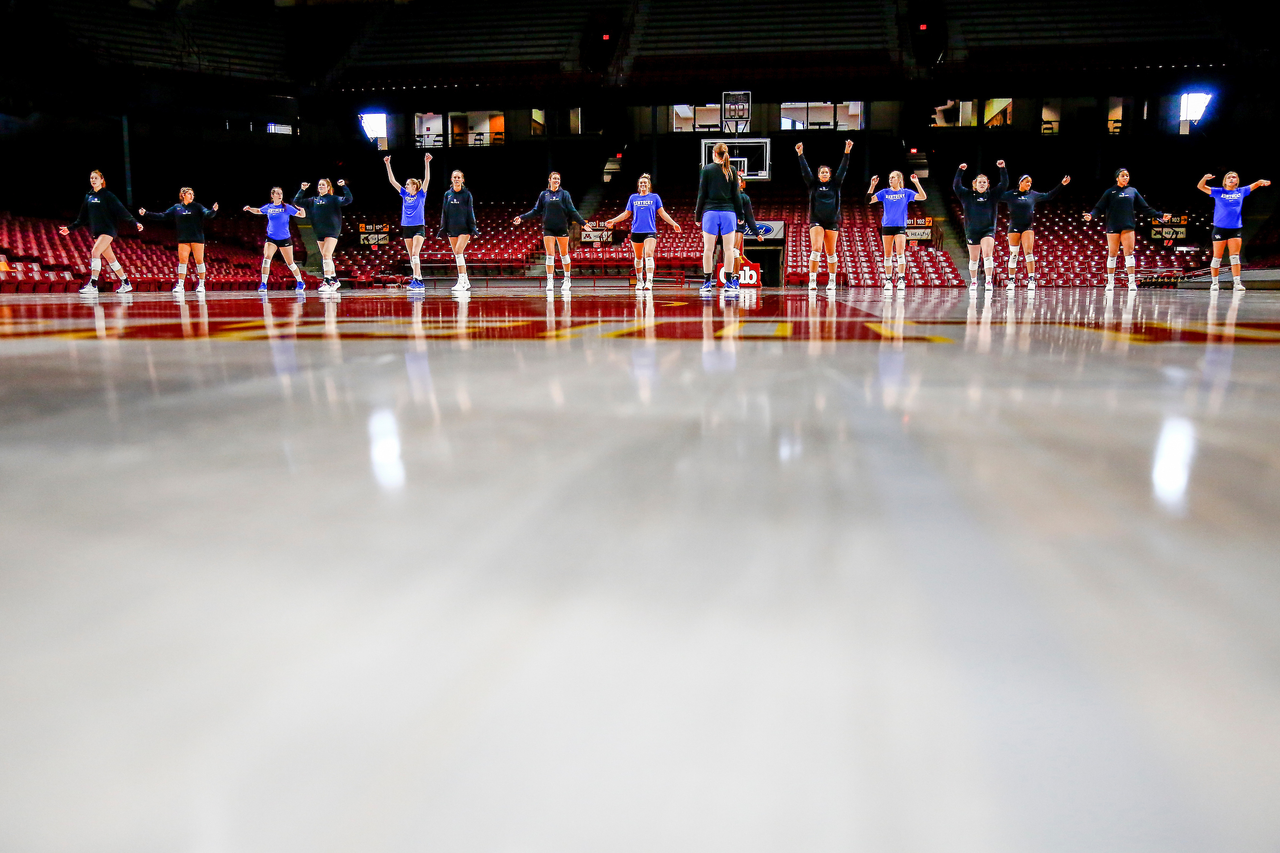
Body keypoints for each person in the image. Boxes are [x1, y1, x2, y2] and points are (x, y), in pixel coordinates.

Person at [1084, 168, 1172, 291]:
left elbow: (1145, 208)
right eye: (1123, 175)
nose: (1125, 177)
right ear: (1117, 178)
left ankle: (1131, 282)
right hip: (1113, 226)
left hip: (1128, 226)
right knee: (1112, 254)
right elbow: (1099, 207)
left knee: (1129, 254)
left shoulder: (1133, 191)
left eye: (1127, 175)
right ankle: (1110, 282)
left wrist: (1160, 215)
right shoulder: (1110, 192)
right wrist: (1091, 215)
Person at [60, 169, 143, 295]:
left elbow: (121, 210)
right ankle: (126, 282)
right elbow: (82, 218)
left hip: (108, 230)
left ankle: (93, 284)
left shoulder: (108, 195)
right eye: (91, 178)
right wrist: (69, 228)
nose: (93, 180)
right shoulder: (88, 196)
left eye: (95, 178)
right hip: (96, 231)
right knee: (111, 259)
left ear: (102, 180)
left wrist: (135, 222)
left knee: (95, 251)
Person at [604, 174, 682, 290]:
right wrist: (613, 221)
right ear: (638, 186)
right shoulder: (633, 198)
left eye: (645, 183)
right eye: (641, 183)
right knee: (638, 257)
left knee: (649, 254)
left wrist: (673, 223)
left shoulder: (655, 197)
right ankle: (639, 280)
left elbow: (662, 213)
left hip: (650, 231)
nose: (643, 184)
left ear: (649, 185)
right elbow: (626, 214)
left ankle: (649, 281)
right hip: (636, 231)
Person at [515, 171, 587, 292]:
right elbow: (536, 210)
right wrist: (522, 217)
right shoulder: (544, 194)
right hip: (548, 228)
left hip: (562, 227)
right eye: (554, 178)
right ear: (549, 180)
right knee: (550, 255)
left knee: (564, 254)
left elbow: (572, 211)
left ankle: (567, 279)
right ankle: (550, 281)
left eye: (558, 179)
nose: (556, 180)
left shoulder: (564, 194)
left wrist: (583, 223)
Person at [1197, 172, 1270, 291]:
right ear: (1225, 181)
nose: (1231, 179)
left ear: (1237, 181)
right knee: (1217, 257)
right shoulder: (1218, 191)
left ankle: (1237, 283)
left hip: (1235, 228)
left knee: (1235, 257)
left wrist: (1260, 182)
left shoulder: (1241, 191)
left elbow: (1255, 185)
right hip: (1220, 228)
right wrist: (1204, 178)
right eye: (1229, 177)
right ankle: (1215, 283)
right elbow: (1201, 187)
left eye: (1234, 177)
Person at [797, 139, 853, 290]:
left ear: (830, 175)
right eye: (821, 172)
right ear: (818, 174)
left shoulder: (835, 184)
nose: (824, 174)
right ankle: (813, 280)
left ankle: (832, 281)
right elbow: (805, 171)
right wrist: (800, 154)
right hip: (816, 220)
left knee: (831, 252)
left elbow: (843, 168)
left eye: (826, 172)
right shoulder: (813, 184)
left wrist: (847, 151)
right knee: (816, 249)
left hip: (832, 221)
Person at [139, 188, 217, 293]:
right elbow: (163, 216)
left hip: (197, 238)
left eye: (193, 194)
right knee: (183, 261)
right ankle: (180, 285)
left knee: (199, 261)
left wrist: (213, 211)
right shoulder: (177, 208)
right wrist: (146, 213)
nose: (192, 196)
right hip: (183, 239)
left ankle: (201, 285)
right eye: (190, 194)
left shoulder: (197, 206)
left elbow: (208, 214)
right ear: (183, 195)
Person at [1000, 171, 1070, 289]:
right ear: (1020, 182)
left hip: (1027, 227)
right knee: (1013, 255)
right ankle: (1011, 280)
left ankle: (1031, 279)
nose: (1029, 184)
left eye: (1030, 182)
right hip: (1014, 227)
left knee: (1028, 253)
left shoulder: (1033, 194)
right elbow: (996, 196)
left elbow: (1049, 195)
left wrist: (1061, 184)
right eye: (1027, 182)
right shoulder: (1010, 194)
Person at [695, 142, 746, 295]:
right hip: (729, 213)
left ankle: (706, 282)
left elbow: (701, 194)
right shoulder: (732, 170)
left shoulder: (706, 170)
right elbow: (737, 195)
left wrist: (698, 215)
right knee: (729, 249)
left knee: (708, 249)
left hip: (710, 213)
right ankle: (729, 282)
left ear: (714, 154)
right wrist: (740, 214)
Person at [867, 170, 928, 290]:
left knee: (900, 252)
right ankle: (888, 280)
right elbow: (868, 200)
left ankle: (901, 279)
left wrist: (916, 183)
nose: (891, 180)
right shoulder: (884, 192)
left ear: (899, 179)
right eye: (890, 178)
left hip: (900, 226)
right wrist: (872, 185)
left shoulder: (906, 193)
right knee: (887, 255)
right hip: (887, 226)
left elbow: (923, 197)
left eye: (893, 178)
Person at [953, 161, 1008, 290]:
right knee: (974, 258)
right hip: (972, 230)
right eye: (979, 182)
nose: (982, 184)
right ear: (975, 184)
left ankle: (988, 281)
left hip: (987, 229)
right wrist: (960, 171)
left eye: (984, 182)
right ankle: (973, 281)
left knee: (988, 254)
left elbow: (1004, 184)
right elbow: (956, 185)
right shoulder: (966, 195)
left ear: (988, 184)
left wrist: (1002, 169)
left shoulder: (992, 195)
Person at [243, 187, 308, 292]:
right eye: (277, 193)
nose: (279, 195)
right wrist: (250, 209)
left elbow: (302, 215)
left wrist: (302, 208)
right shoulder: (269, 207)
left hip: (285, 239)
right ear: (272, 196)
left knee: (290, 263)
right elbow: (259, 211)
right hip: (271, 238)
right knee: (266, 258)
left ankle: (300, 282)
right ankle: (263, 284)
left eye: (281, 193)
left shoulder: (286, 207)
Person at [293, 178, 352, 291]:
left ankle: (327, 281)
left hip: (332, 230)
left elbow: (348, 199)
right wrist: (302, 189)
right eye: (319, 185)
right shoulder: (313, 200)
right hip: (319, 231)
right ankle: (335, 280)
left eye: (323, 185)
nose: (320, 186)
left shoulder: (334, 199)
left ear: (328, 187)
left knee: (325, 255)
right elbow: (297, 201)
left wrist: (344, 186)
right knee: (327, 256)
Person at [384, 153, 432, 290]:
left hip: (418, 227)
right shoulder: (404, 194)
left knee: (416, 254)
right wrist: (387, 164)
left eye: (408, 184)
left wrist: (427, 163)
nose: (405, 186)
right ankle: (419, 280)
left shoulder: (421, 194)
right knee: (412, 257)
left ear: (414, 187)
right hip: (407, 227)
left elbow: (427, 178)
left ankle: (416, 279)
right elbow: (392, 181)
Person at [438, 169, 477, 292]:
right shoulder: (447, 195)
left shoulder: (467, 194)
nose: (456, 179)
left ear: (462, 180)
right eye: (454, 177)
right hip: (451, 229)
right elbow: (444, 213)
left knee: (459, 251)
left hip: (464, 228)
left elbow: (470, 212)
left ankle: (461, 281)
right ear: (451, 179)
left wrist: (473, 228)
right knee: (457, 254)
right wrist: (443, 229)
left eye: (458, 177)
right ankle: (465, 281)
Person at [733, 173, 765, 281]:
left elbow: (749, 217)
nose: (736, 181)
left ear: (742, 184)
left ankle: (735, 277)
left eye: (738, 179)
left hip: (739, 226)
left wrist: (757, 233)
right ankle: (729, 277)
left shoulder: (744, 198)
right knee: (728, 252)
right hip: (727, 226)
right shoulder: (726, 196)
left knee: (734, 251)